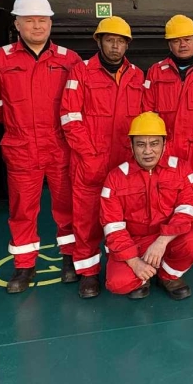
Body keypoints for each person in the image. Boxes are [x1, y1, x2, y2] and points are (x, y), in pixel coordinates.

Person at [0, 0, 82, 294]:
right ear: (17, 24)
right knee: (22, 210)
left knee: (67, 207)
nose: (37, 26)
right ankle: (25, 265)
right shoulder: (0, 59)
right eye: (29, 20)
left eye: (42, 20)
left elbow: (80, 102)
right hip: (21, 146)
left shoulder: (70, 60)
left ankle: (70, 257)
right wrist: (17, 125)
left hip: (60, 145)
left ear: (51, 23)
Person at [59, 16, 145, 299]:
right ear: (99, 41)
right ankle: (88, 273)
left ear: (128, 45)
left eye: (121, 41)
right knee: (86, 219)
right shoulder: (80, 72)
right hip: (90, 162)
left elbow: (145, 119)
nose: (115, 46)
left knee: (127, 219)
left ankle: (125, 268)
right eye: (110, 40)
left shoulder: (137, 76)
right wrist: (89, 153)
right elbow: (70, 117)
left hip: (125, 163)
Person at [142, 14, 193, 274]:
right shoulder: (156, 71)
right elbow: (147, 111)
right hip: (167, 151)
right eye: (176, 41)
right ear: (169, 44)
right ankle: (169, 247)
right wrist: (156, 145)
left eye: (187, 39)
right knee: (165, 199)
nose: (182, 45)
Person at [100, 113, 193, 300]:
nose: (148, 151)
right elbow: (112, 227)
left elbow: (187, 211)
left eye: (154, 143)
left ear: (164, 144)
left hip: (167, 238)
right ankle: (144, 275)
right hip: (133, 242)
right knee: (118, 283)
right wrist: (134, 262)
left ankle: (167, 276)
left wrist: (162, 241)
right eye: (141, 144)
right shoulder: (115, 178)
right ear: (132, 146)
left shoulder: (182, 169)